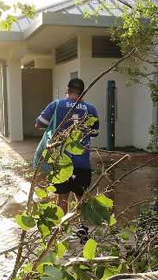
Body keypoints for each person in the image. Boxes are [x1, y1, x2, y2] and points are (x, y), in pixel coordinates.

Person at [35, 78, 99, 241]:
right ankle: (82, 231)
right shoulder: (91, 109)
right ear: (83, 92)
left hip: (61, 162)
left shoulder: (56, 105)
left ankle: (58, 233)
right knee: (81, 197)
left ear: (68, 89)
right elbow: (95, 132)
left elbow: (39, 123)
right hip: (82, 162)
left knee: (62, 198)